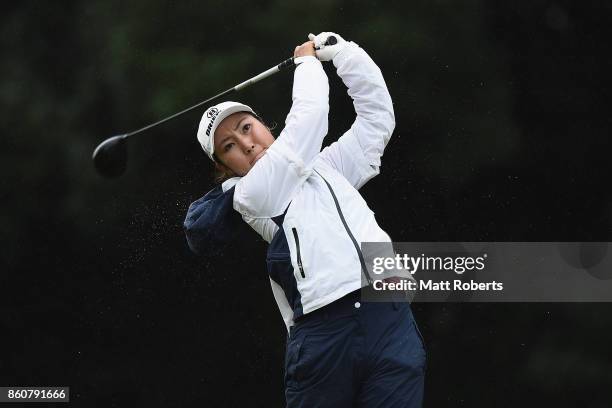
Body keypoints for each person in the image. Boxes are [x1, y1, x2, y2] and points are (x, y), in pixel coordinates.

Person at [184, 32, 426, 408]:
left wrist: (345, 54)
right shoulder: (251, 195)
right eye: (229, 146)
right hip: (325, 335)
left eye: (246, 128)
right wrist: (308, 63)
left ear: (265, 125)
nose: (246, 144)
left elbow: (377, 120)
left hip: (388, 316)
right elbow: (308, 120)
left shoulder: (325, 166)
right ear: (223, 167)